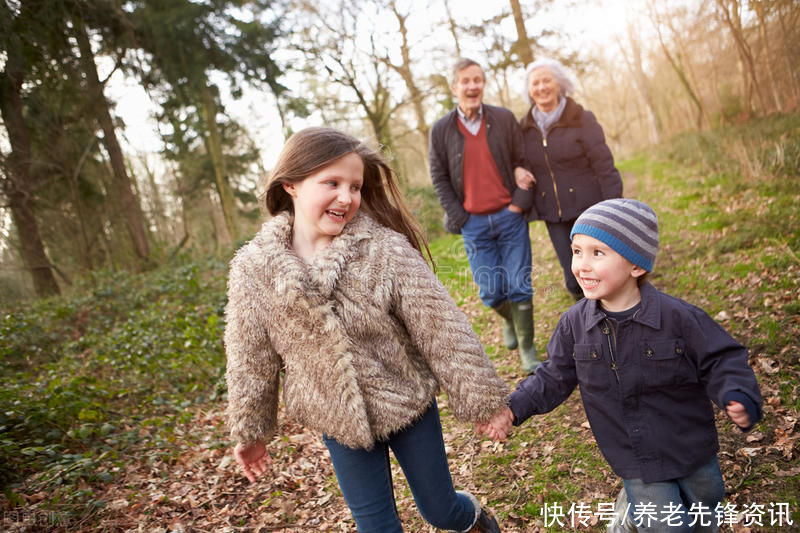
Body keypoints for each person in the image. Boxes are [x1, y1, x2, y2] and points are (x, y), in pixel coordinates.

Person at [224, 127, 509, 533]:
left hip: (407, 402)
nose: (347, 197)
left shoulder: (384, 249)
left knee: (439, 510)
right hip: (338, 422)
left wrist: (484, 402)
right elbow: (249, 357)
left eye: (355, 186)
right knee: (376, 528)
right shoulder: (254, 270)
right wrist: (250, 430)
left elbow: (441, 327)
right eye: (332, 183)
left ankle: (477, 521)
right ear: (291, 184)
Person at [478, 199, 763, 533]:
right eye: (577, 251)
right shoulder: (574, 325)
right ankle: (634, 513)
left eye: (598, 253)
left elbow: (721, 358)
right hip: (633, 453)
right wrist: (513, 408)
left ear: (636, 266)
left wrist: (738, 393)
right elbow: (553, 375)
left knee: (706, 507)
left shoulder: (678, 318)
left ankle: (632, 510)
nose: (582, 265)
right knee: (667, 527)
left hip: (689, 444)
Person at [429, 57, 540, 373]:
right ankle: (511, 321)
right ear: (455, 87)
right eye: (466, 80)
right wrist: (460, 216)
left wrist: (518, 204)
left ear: (483, 84)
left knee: (519, 283)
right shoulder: (440, 130)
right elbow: (438, 177)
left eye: (477, 79)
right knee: (491, 293)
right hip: (473, 223)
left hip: (509, 216)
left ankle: (528, 349)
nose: (472, 86)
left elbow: (523, 160)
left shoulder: (504, 119)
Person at [518, 58, 623, 301]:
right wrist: (517, 171)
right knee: (573, 276)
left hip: (589, 208)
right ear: (529, 90)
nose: (541, 87)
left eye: (547, 80)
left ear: (559, 84)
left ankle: (616, 312)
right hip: (553, 214)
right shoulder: (523, 128)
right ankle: (589, 320)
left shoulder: (581, 118)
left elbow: (604, 164)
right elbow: (516, 161)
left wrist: (614, 206)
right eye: (535, 83)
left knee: (599, 269)